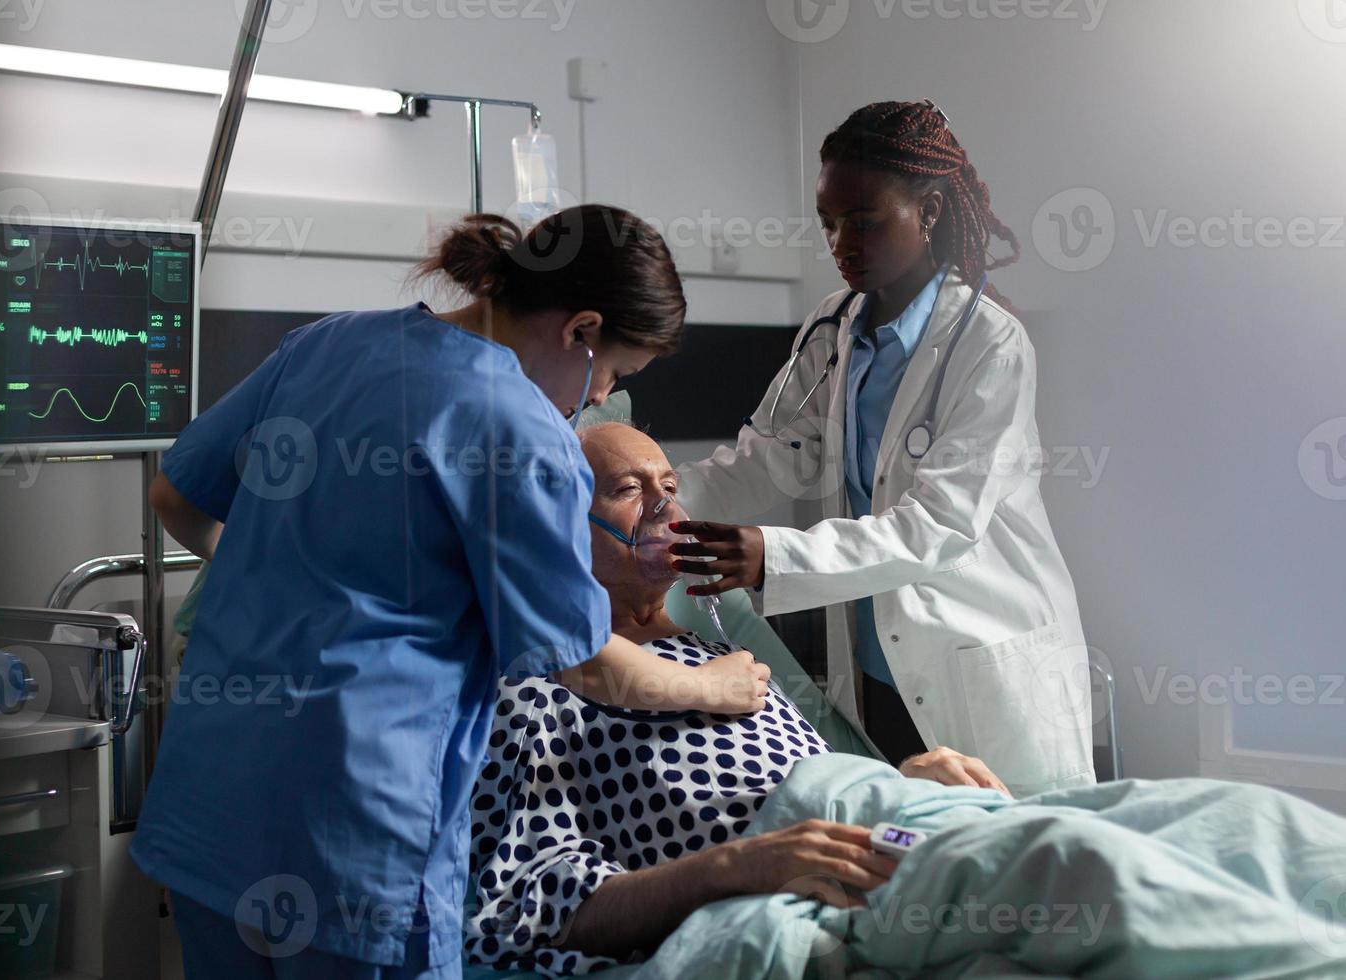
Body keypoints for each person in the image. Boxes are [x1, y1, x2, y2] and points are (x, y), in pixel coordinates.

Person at [129, 206, 771, 980]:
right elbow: (589, 665)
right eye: (614, 375)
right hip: (353, 834)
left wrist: (278, 572)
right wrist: (708, 683)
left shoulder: (327, 343)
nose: (600, 398)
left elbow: (176, 494)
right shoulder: (523, 430)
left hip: (212, 803)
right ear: (581, 329)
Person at [466, 423, 1346, 979]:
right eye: (628, 488)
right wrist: (745, 865)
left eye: (669, 481)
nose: (665, 501)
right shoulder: (536, 688)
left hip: (876, 804)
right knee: (1076, 861)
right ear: (560, 530)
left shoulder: (714, 645)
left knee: (1222, 814)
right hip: (817, 851)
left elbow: (825, 774)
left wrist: (900, 772)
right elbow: (526, 910)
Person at [671, 101, 1095, 796]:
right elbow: (770, 454)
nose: (842, 242)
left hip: (979, 658)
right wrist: (655, 501)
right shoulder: (830, 329)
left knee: (1021, 874)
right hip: (873, 662)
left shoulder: (990, 344)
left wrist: (771, 555)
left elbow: (939, 525)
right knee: (913, 863)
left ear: (927, 211)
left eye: (864, 220)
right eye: (829, 223)